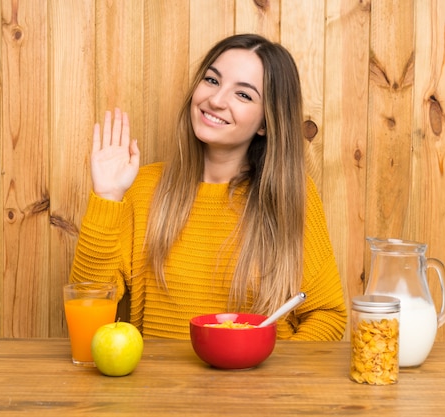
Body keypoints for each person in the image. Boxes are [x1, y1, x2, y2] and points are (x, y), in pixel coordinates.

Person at [69, 33, 347, 340]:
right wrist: (108, 197)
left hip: (255, 388)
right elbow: (87, 315)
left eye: (243, 95)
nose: (215, 100)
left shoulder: (290, 196)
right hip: (159, 388)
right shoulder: (143, 189)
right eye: (212, 80)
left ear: (266, 123)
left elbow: (328, 316)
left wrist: (268, 379)